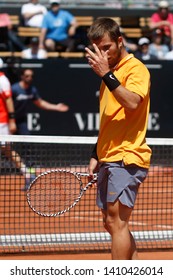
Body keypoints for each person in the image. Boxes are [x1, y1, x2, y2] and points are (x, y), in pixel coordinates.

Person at [85, 18, 152, 260]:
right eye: (97, 49)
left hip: (127, 155)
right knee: (110, 223)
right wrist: (96, 153)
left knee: (117, 222)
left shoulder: (136, 69)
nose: (102, 54)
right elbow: (110, 119)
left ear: (119, 41)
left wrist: (106, 75)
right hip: (109, 156)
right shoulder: (110, 75)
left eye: (106, 48)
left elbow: (133, 102)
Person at [0, 58, 36, 191]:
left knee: (7, 150)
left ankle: (28, 174)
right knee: (7, 150)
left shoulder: (2, 80)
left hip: (2, 121)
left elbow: (9, 100)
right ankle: (28, 174)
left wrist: (11, 120)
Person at [11, 68, 69, 135]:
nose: (29, 78)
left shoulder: (32, 90)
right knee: (6, 143)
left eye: (31, 76)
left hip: (20, 120)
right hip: (8, 119)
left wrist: (56, 107)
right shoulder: (14, 89)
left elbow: (40, 103)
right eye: (27, 76)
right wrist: (11, 121)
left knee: (26, 142)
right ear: (22, 76)